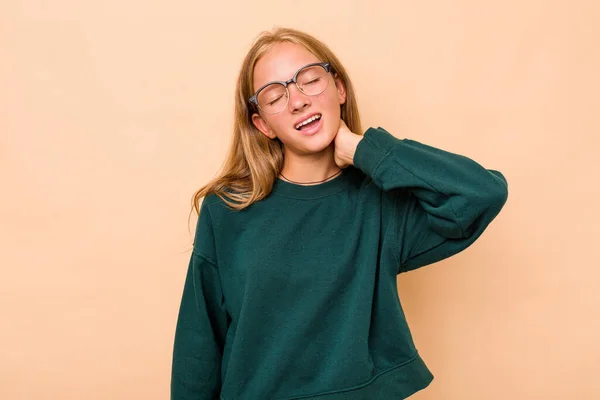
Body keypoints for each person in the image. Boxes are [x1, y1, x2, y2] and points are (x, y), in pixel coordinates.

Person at [170, 27, 508, 400]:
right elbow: (198, 345)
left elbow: (482, 193)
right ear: (262, 124)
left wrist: (362, 149)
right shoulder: (228, 209)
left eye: (310, 80)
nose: (297, 101)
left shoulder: (379, 205)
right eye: (275, 96)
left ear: (340, 89)